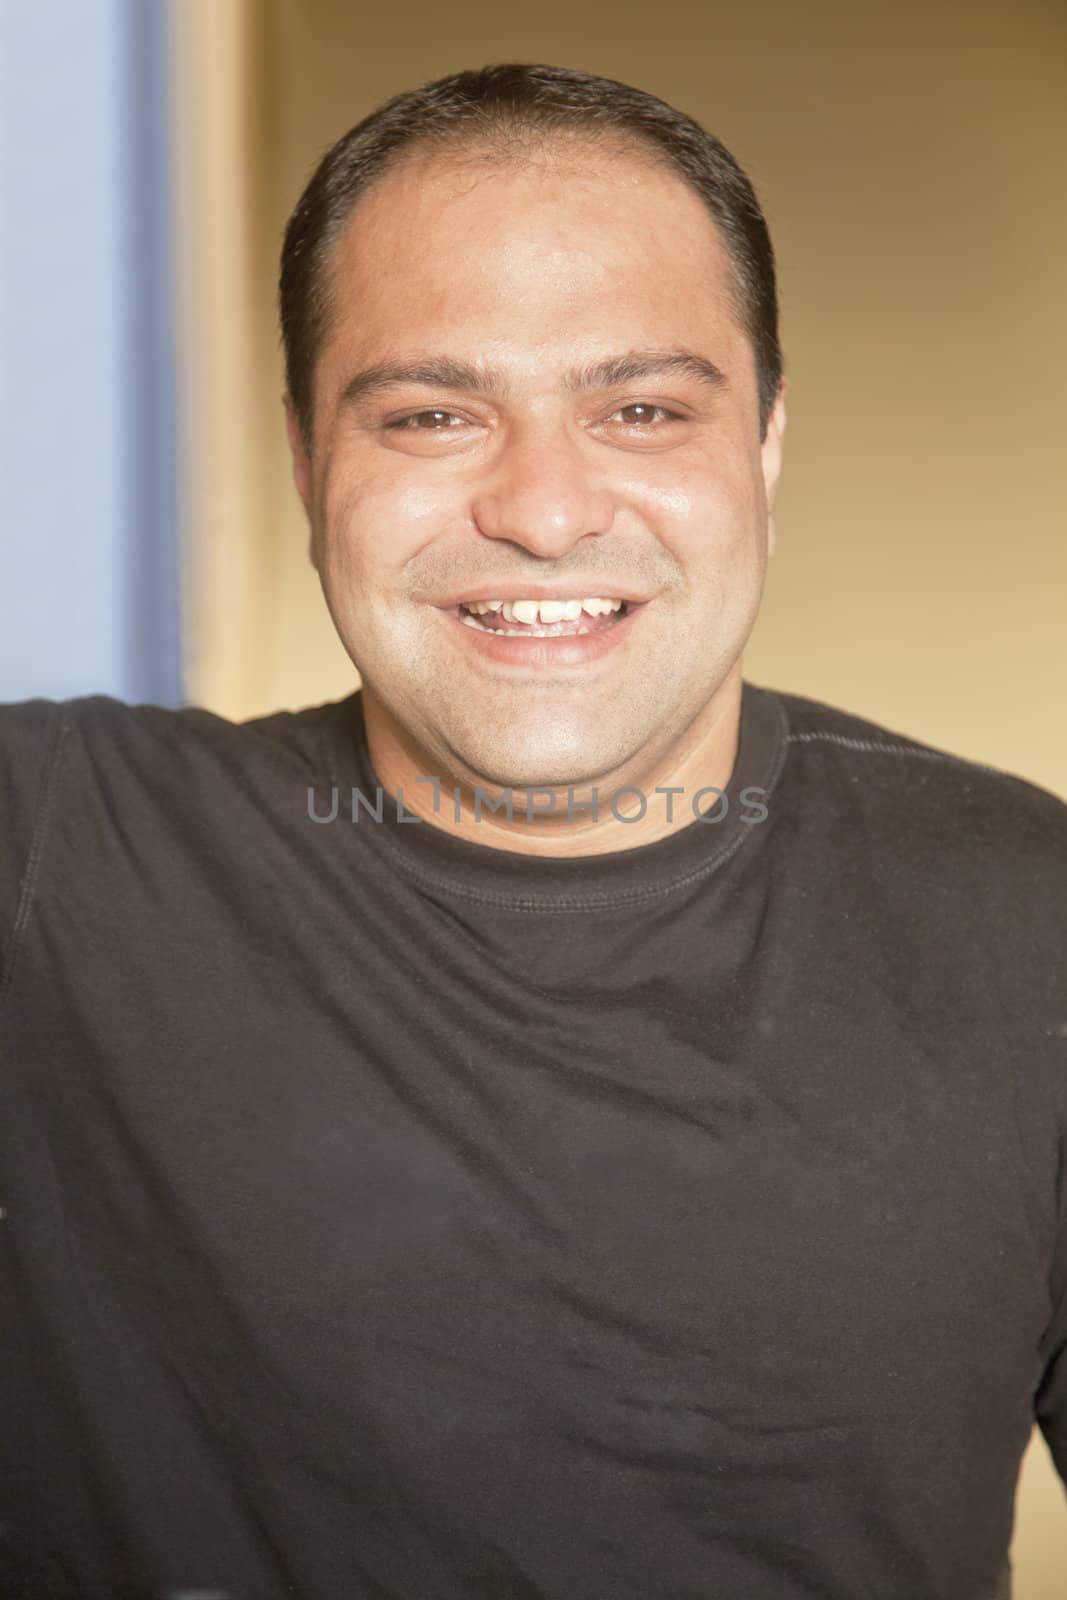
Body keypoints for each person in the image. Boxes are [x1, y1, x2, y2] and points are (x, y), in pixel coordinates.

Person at [1, 60, 1063, 1600]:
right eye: (432, 414)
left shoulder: (1029, 912)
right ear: (307, 465)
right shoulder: (57, 859)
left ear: (763, 446)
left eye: (640, 408)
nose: (547, 510)